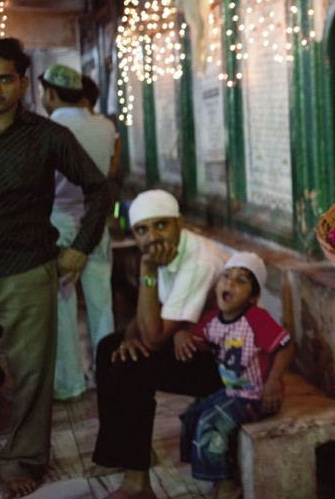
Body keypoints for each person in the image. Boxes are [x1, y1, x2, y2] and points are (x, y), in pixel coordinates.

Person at [0, 38, 111, 498]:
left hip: (28, 272)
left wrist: (81, 246)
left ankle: (23, 460)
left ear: (24, 84)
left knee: (32, 375)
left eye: (5, 79)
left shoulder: (48, 136)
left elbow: (99, 189)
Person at [92, 189, 230, 499]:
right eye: (142, 230)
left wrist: (147, 271)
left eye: (161, 226)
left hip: (227, 366)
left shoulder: (199, 260)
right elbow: (142, 322)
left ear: (179, 223)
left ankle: (138, 483)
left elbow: (153, 337)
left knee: (135, 366)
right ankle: (120, 454)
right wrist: (128, 339)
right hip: (191, 342)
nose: (152, 236)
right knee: (110, 348)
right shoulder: (166, 253)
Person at [176, 252, 294, 499]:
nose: (229, 283)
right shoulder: (212, 321)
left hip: (255, 397)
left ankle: (228, 485)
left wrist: (272, 383)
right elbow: (198, 340)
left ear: (252, 297)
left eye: (241, 281)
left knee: (210, 423)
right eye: (226, 277)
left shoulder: (256, 319)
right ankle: (209, 469)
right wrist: (182, 335)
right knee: (192, 415)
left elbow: (286, 346)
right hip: (231, 391)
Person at [39, 63, 119, 400]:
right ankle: (107, 375)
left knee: (62, 305)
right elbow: (110, 173)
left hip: (58, 225)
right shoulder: (105, 126)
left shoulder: (46, 128)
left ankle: (69, 383)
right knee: (102, 302)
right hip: (96, 222)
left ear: (51, 93)